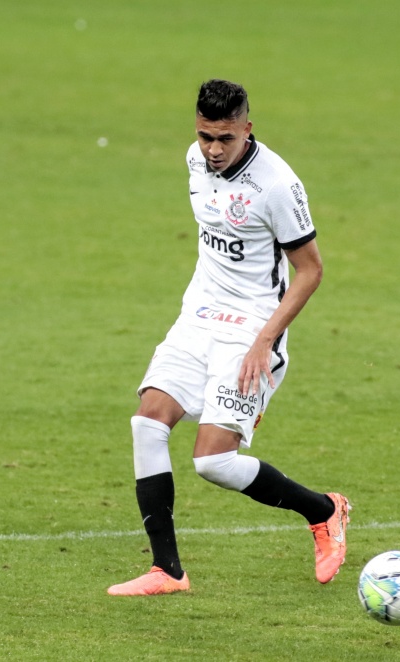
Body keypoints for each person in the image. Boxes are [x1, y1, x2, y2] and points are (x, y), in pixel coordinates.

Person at [107, 79, 349, 596]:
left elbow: (310, 270)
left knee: (213, 462)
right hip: (198, 317)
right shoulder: (194, 162)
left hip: (251, 329)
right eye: (204, 136)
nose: (213, 150)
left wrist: (265, 339)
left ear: (247, 129)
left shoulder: (278, 186)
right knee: (147, 422)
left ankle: (324, 511)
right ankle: (167, 571)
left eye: (225, 139)